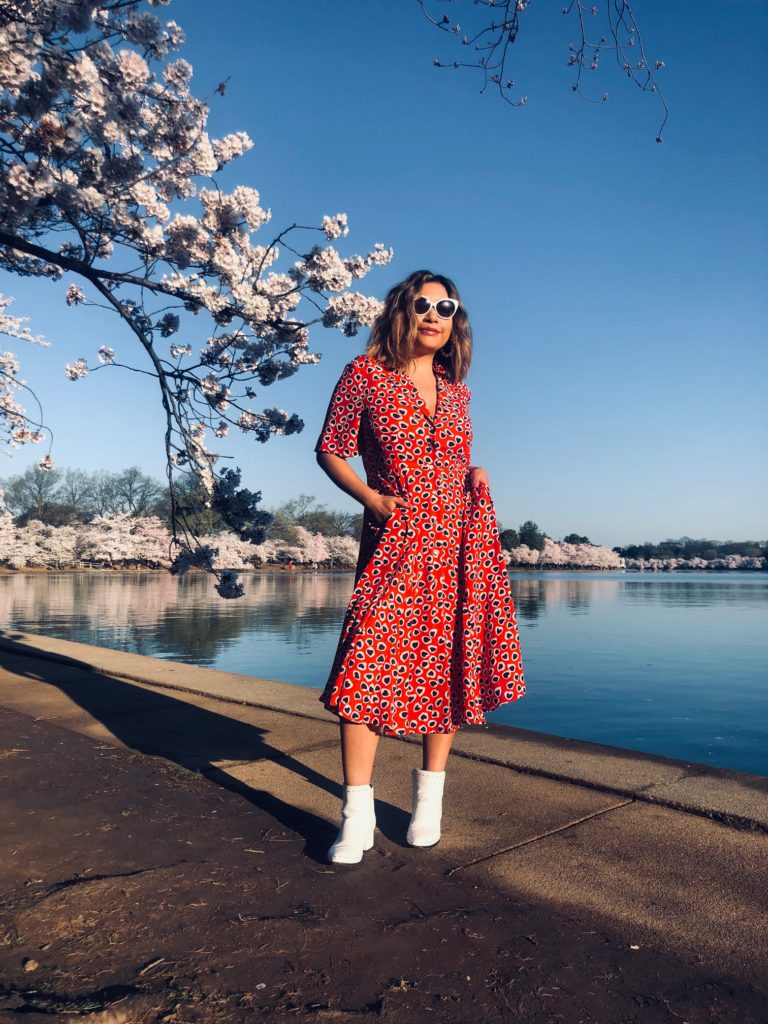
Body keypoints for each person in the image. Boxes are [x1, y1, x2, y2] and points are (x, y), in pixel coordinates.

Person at [314, 270, 525, 865]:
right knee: (365, 669)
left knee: (451, 662)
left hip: (458, 541)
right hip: (397, 540)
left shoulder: (456, 390)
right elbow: (330, 446)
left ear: (456, 320)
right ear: (401, 311)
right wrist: (372, 499)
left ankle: (427, 803)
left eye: (447, 306)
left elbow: (451, 457)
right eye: (423, 304)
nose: (435, 315)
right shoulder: (365, 375)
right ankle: (356, 814)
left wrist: (473, 473)